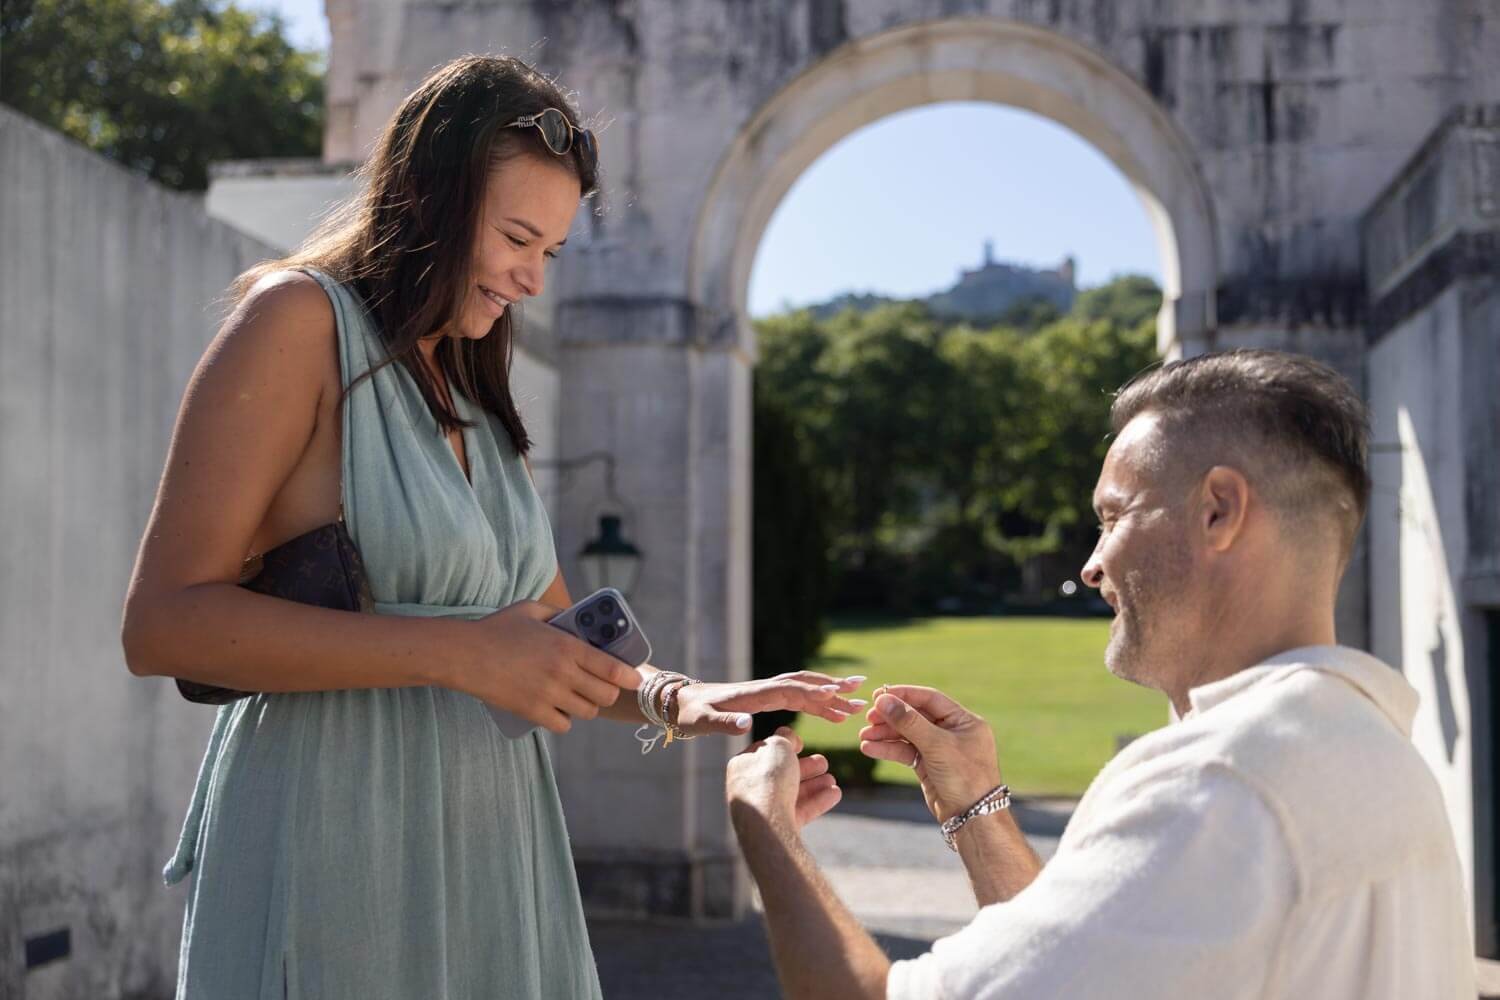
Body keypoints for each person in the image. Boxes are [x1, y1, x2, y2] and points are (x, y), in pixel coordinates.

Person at [121, 55, 865, 999]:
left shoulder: (472, 387)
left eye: (549, 252)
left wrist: (681, 698)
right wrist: (457, 652)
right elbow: (162, 625)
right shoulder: (296, 322)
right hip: (334, 843)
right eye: (518, 237)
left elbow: (545, 637)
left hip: (496, 850)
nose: (532, 280)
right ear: (430, 199)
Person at [727, 349, 1476, 999]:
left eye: (1114, 517)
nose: (1091, 565)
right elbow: (1071, 972)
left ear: (1219, 510)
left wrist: (764, 824)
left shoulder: (1222, 781)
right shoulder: (1366, 743)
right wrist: (976, 810)